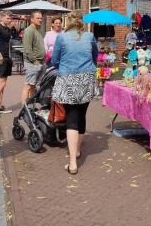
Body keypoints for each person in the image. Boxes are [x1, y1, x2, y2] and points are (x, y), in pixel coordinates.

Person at [50, 12, 98, 174]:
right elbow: (94, 57)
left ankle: (72, 163)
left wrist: (64, 65)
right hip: (86, 78)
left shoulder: (62, 38)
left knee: (71, 117)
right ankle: (77, 151)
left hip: (68, 78)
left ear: (68, 23)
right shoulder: (90, 36)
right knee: (82, 115)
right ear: (81, 23)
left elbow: (54, 60)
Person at [20, 11, 45, 103]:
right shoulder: (29, 30)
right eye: (38, 18)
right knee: (28, 86)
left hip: (40, 62)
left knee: (33, 86)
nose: (40, 20)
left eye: (41, 18)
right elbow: (27, 49)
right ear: (32, 19)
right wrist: (35, 61)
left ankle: (30, 107)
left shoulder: (38, 30)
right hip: (32, 63)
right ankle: (24, 108)